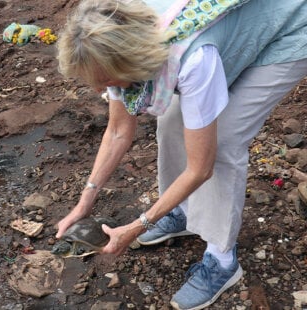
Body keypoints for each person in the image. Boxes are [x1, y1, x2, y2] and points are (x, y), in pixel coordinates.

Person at [54, 0, 307, 309]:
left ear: (128, 64)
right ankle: (185, 210)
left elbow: (201, 168)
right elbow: (119, 130)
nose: (99, 91)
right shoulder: (118, 41)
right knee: (172, 121)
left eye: (105, 83)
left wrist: (139, 225)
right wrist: (83, 204)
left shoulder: (193, 59)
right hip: (226, 33)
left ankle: (222, 260)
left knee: (224, 141)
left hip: (289, 29)